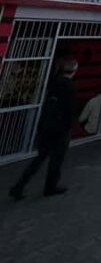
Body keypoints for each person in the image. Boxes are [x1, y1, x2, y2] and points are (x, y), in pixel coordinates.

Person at [10, 58, 79, 200]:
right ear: (74, 70)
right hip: (60, 129)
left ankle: (19, 185)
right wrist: (68, 126)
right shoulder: (69, 86)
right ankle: (50, 186)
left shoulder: (53, 82)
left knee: (39, 158)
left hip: (46, 125)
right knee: (56, 159)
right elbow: (70, 109)